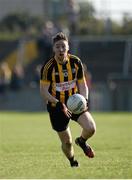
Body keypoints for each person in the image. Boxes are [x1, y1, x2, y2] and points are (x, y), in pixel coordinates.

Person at [40, 32, 96, 167]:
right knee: (67, 142)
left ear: (68, 47)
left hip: (75, 102)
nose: (61, 50)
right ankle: (72, 161)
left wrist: (84, 100)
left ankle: (82, 141)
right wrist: (59, 104)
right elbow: (43, 91)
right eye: (58, 47)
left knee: (91, 128)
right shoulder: (48, 67)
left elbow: (82, 84)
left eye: (63, 47)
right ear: (53, 49)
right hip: (56, 107)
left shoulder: (76, 62)